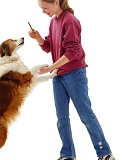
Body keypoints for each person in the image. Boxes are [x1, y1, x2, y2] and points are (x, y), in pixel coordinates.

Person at [28, 0, 115, 160]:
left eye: (45, 8)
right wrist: (38, 38)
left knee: (85, 115)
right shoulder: (53, 21)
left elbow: (73, 52)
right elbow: (49, 46)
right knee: (62, 119)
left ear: (56, 2)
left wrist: (49, 68)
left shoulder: (70, 21)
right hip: (58, 76)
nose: (43, 11)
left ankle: (105, 153)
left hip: (74, 74)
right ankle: (68, 155)